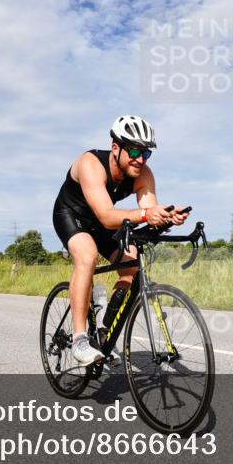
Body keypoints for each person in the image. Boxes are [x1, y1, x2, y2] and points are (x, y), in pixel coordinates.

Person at [52, 115, 189, 365]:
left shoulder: (143, 173)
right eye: (134, 150)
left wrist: (167, 217)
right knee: (87, 256)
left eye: (145, 153)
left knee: (133, 266)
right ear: (116, 147)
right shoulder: (90, 163)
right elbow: (106, 216)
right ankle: (80, 339)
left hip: (104, 223)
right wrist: (148, 214)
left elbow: (149, 210)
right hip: (72, 216)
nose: (140, 159)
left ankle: (104, 328)